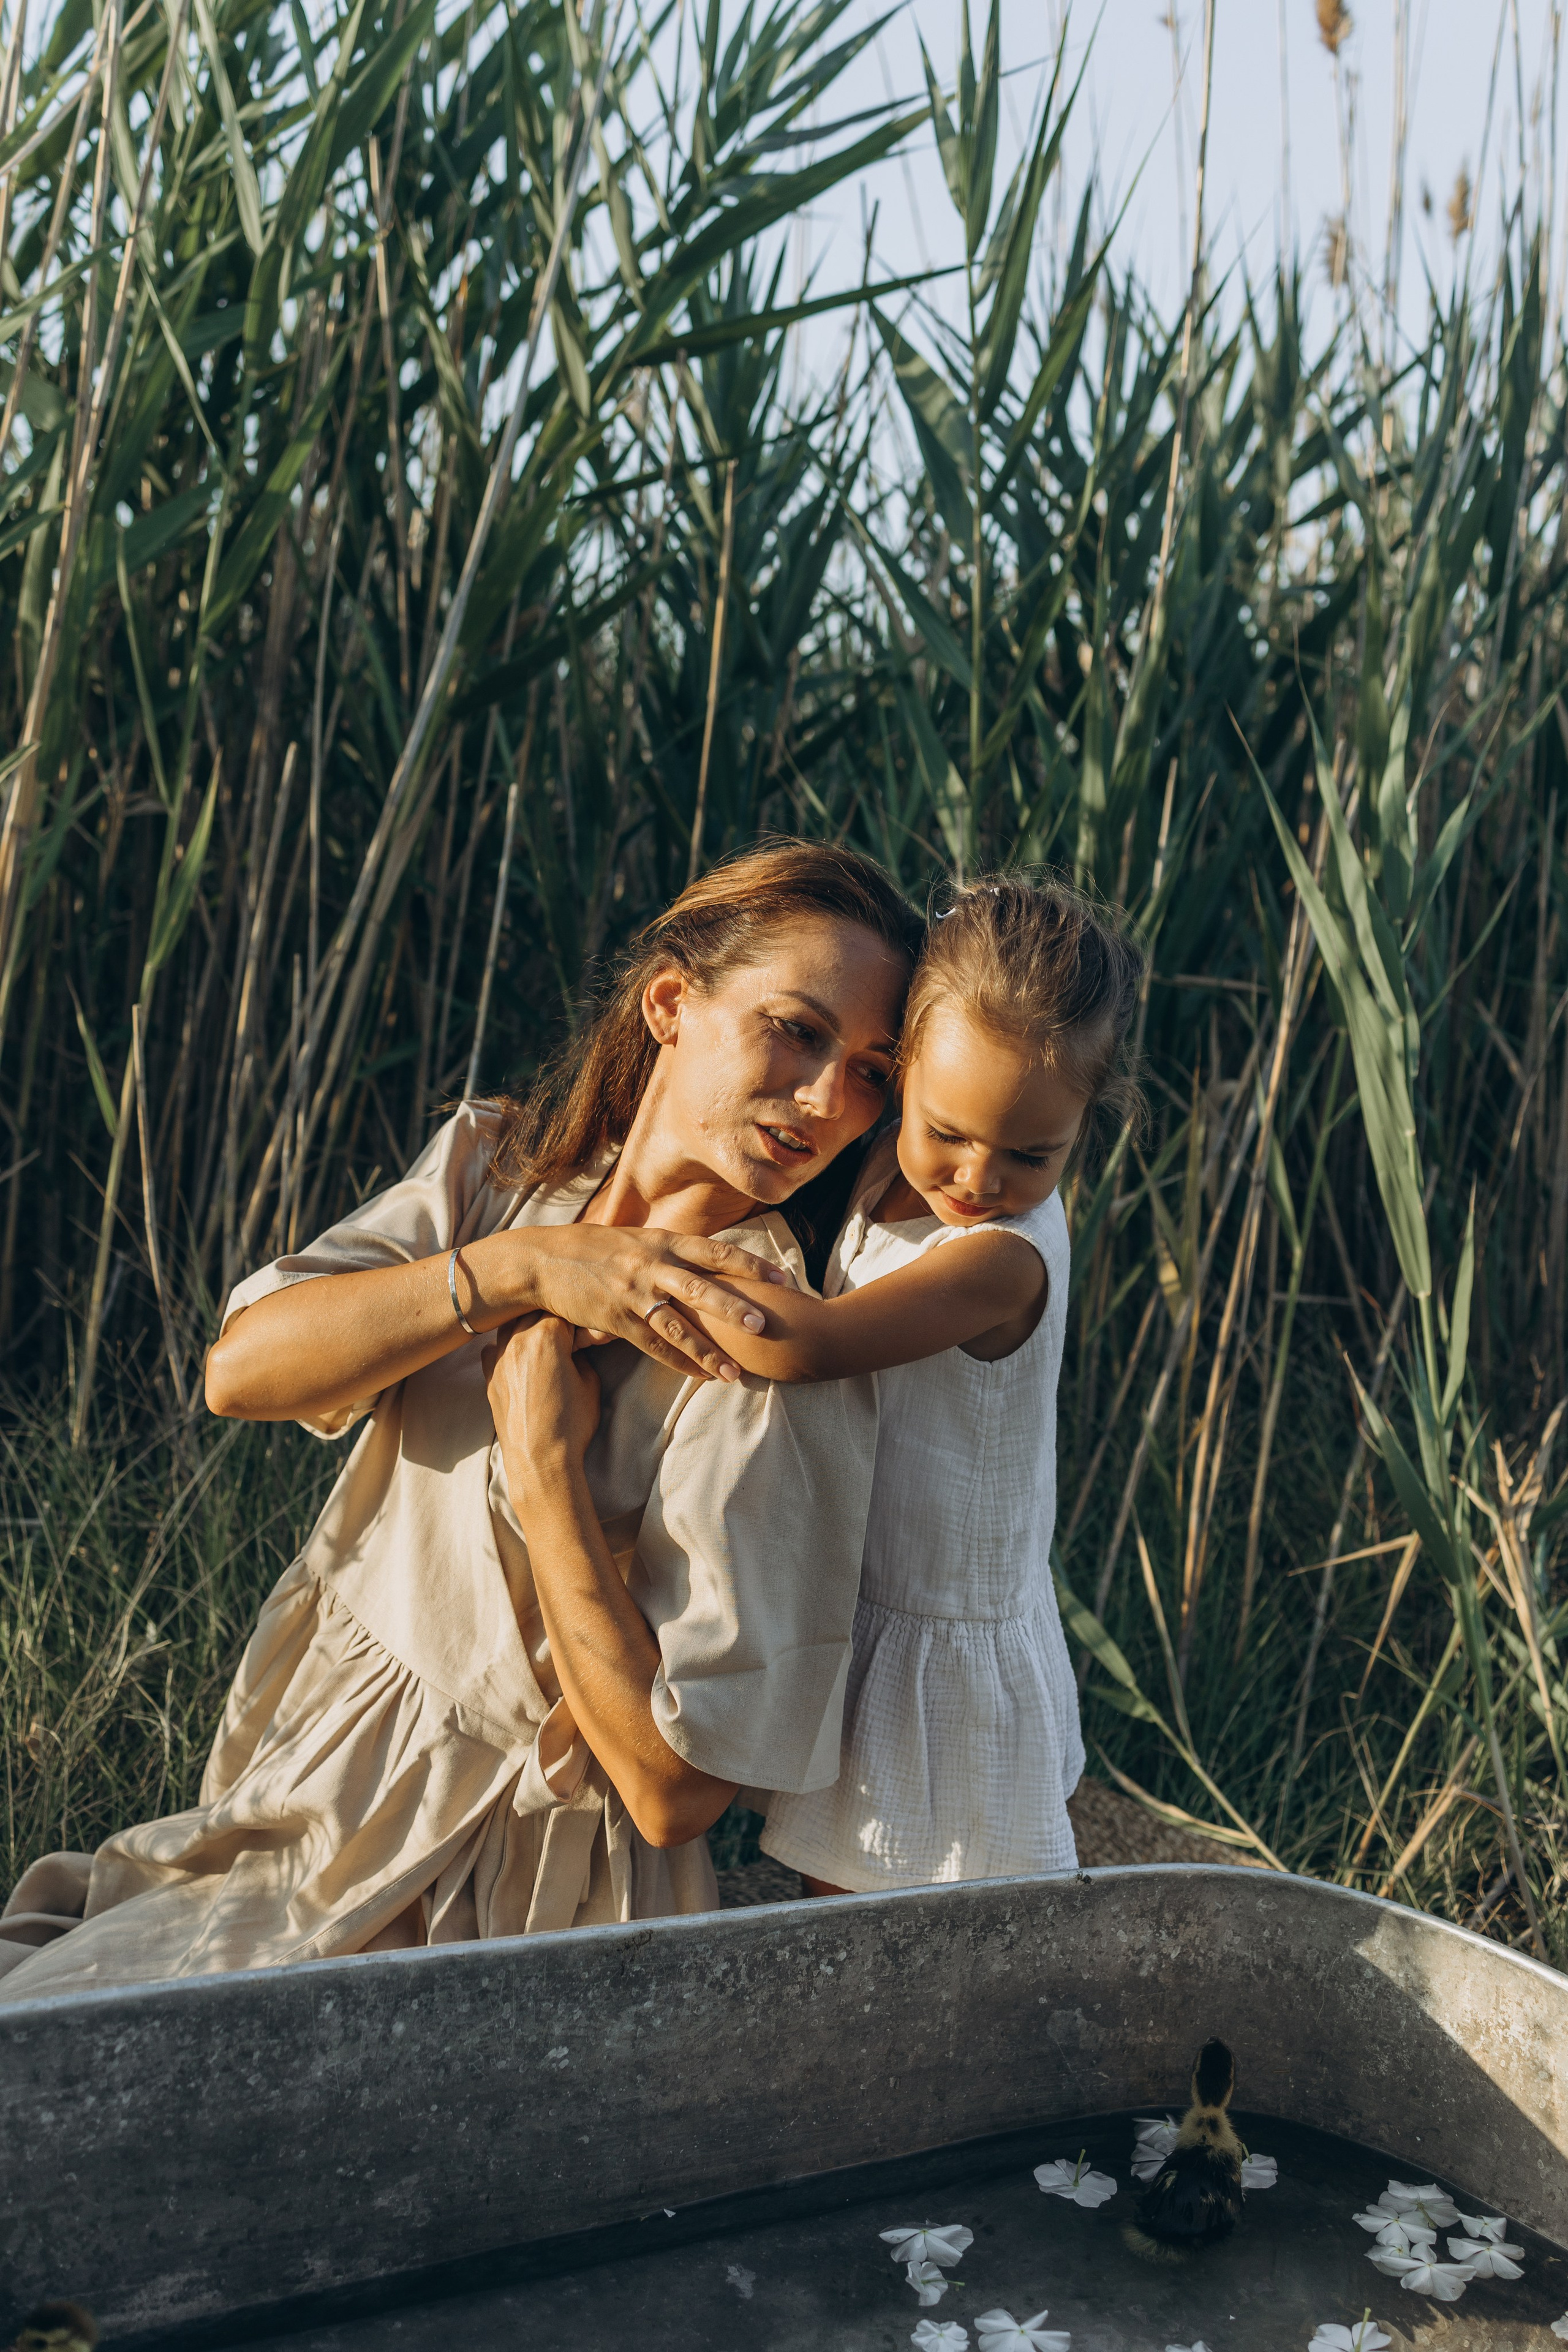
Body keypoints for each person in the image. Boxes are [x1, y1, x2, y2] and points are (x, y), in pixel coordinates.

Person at [0, 840, 919, 1997]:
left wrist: (545, 1478)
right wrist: (523, 1269)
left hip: (508, 1898)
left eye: (874, 1072)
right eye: (799, 1029)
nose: (830, 1098)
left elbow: (674, 1794)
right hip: (293, 1818)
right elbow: (241, 1371)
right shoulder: (498, 1173)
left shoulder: (764, 1343)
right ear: (673, 1003)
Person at [649, 877, 1144, 1894]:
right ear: (901, 1072)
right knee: (845, 1895)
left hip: (946, 1644)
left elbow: (811, 1346)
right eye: (949, 1131)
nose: (976, 1177)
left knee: (903, 1909)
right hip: (872, 1602)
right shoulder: (885, 1160)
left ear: (1087, 1122)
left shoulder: (1002, 1259)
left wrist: (644, 1271)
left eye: (1031, 1151)